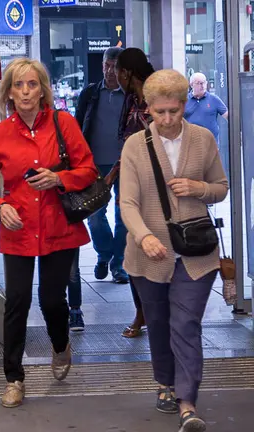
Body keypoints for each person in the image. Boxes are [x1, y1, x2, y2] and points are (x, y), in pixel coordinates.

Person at [0, 58, 98, 409]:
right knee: (17, 302)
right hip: (19, 228)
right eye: (18, 85)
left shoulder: (64, 123)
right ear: (8, 92)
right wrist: (0, 207)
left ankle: (60, 346)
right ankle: (14, 378)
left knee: (51, 300)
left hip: (59, 227)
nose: (26, 92)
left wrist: (61, 178)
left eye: (32, 84)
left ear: (43, 89)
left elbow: (88, 169)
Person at [120, 69, 228, 432]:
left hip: (196, 254)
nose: (167, 119)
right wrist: (143, 236)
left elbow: (221, 187)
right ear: (148, 108)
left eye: (174, 111)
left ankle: (187, 403)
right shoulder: (135, 146)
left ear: (184, 105)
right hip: (148, 255)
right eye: (159, 112)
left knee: (185, 323)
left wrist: (198, 187)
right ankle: (165, 382)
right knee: (160, 322)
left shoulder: (203, 139)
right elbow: (128, 203)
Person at [68, 46, 126, 332]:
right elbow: (78, 129)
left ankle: (117, 264)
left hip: (126, 164)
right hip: (94, 167)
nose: (108, 70)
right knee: (95, 216)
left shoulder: (132, 96)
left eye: (114, 66)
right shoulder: (90, 94)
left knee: (125, 217)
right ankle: (105, 253)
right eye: (105, 65)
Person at [115, 47, 156, 339]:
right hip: (132, 186)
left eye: (118, 71)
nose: (115, 76)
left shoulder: (157, 99)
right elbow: (128, 143)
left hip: (157, 189)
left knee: (157, 252)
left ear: (128, 73)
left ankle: (155, 313)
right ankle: (142, 313)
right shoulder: (131, 100)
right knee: (134, 252)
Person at [184, 72, 229, 178]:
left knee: (210, 175)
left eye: (204, 82)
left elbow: (228, 116)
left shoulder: (214, 99)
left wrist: (240, 129)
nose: (203, 85)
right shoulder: (184, 101)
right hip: (191, 145)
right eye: (199, 83)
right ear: (191, 85)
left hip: (210, 145)